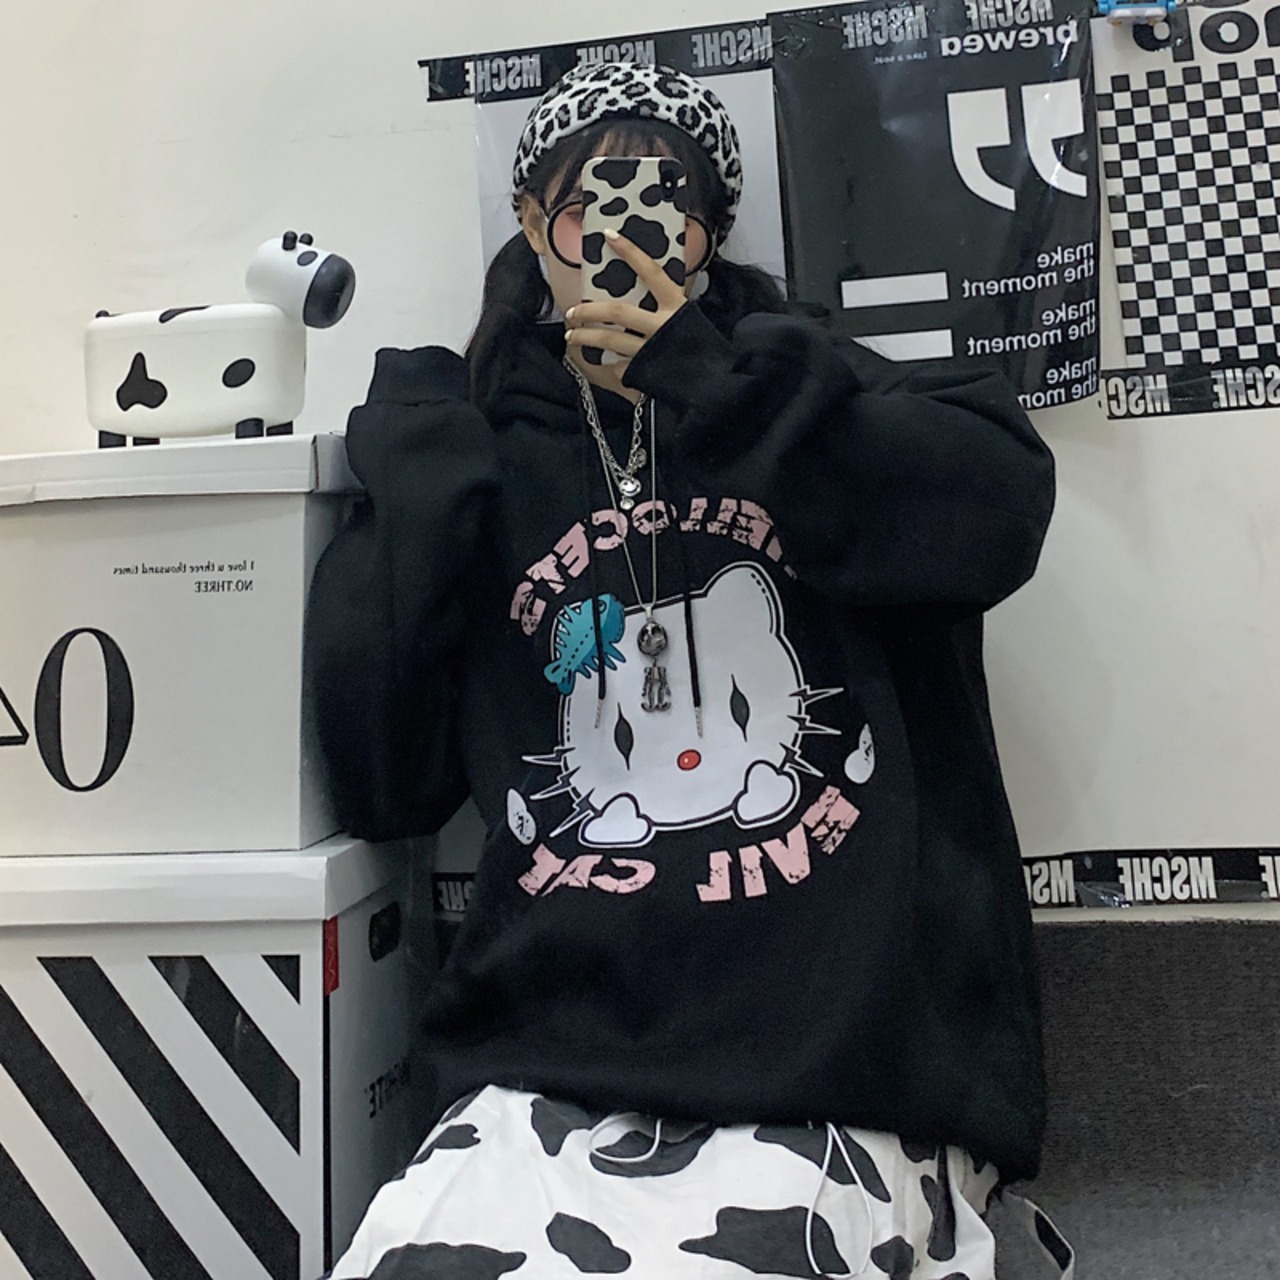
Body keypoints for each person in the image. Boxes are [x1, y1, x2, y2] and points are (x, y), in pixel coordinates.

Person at [308, 61, 1070, 1280]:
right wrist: (413, 487)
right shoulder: (489, 445)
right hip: (551, 1053)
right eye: (586, 210)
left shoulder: (815, 389)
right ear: (531, 227)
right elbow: (383, 782)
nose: (621, 243)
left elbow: (995, 513)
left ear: (709, 232)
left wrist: (715, 387)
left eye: (661, 206)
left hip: (844, 1047)